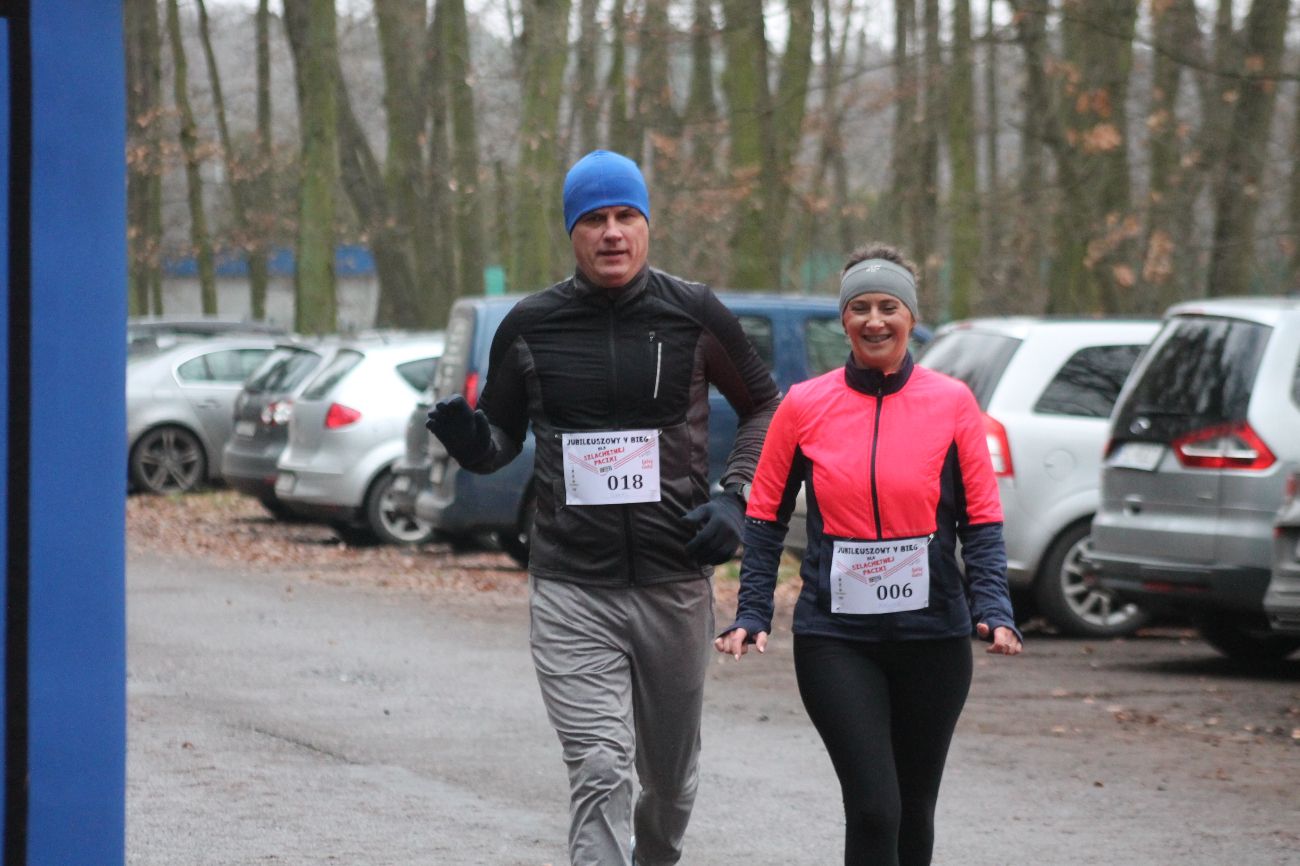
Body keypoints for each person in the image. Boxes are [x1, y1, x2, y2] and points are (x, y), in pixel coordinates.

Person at [426, 149, 780, 866]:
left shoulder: (693, 312)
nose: (611, 232)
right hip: (572, 586)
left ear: (646, 225)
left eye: (625, 216)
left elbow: (765, 407)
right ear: (572, 233)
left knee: (670, 781)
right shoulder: (531, 325)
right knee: (599, 764)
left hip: (673, 580)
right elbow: (500, 441)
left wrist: (736, 497)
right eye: (593, 220)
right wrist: (471, 441)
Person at [715, 243, 1022, 866]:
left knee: (914, 810)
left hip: (933, 637)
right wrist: (752, 611)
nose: (874, 320)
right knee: (875, 808)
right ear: (844, 319)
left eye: (888, 307)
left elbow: (982, 519)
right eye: (860, 308)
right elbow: (766, 516)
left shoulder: (952, 403)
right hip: (837, 638)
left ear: (911, 317)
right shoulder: (804, 404)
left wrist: (993, 606)